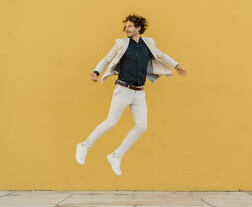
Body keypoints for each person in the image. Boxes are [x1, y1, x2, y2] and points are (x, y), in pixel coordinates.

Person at [75, 14, 187, 175]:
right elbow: (107, 59)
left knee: (141, 127)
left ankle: (116, 155)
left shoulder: (149, 44)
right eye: (126, 26)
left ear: (138, 28)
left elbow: (161, 55)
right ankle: (84, 145)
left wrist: (177, 66)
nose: (126, 29)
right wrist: (96, 72)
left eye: (130, 26)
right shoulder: (121, 44)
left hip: (139, 92)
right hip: (123, 89)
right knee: (111, 122)